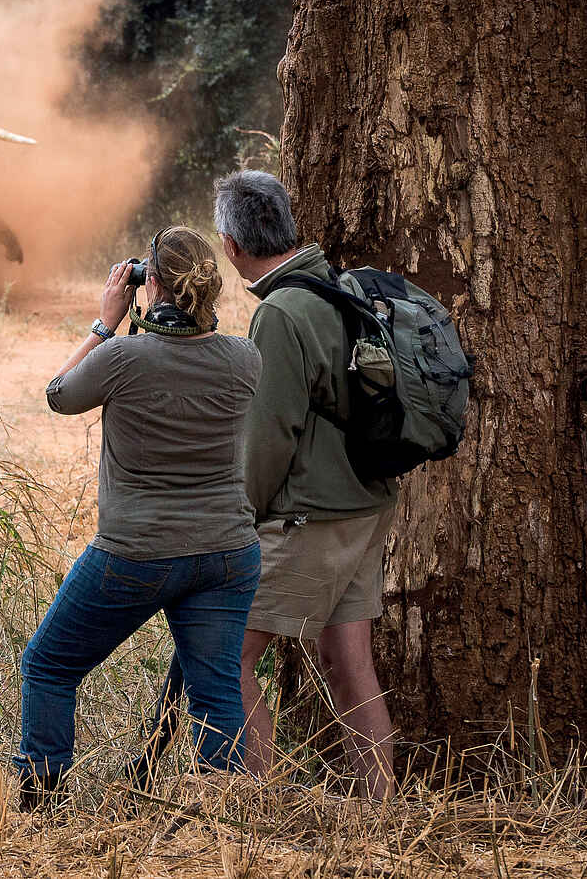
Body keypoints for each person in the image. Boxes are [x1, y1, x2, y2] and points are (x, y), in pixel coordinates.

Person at [15, 226, 263, 809]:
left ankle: (39, 801)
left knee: (48, 665)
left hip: (135, 553)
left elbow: (59, 395)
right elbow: (200, 349)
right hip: (226, 553)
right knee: (216, 689)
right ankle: (220, 821)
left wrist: (105, 323)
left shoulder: (121, 358)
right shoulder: (244, 358)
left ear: (149, 283)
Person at [211, 169, 400, 799]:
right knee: (350, 667)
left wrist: (238, 519)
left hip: (310, 518)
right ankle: (379, 815)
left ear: (232, 247)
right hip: (366, 508)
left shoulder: (281, 314)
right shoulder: (341, 288)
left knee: (224, 656)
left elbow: (269, 437)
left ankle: (257, 809)